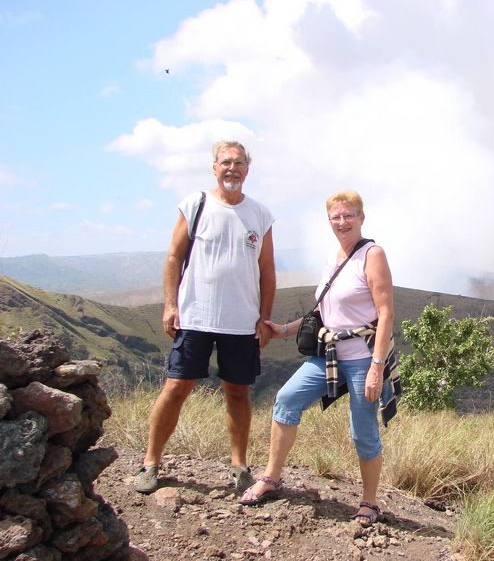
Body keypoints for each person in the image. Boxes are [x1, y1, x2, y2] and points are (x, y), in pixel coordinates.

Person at [239, 189, 399, 528]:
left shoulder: (372, 254)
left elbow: (386, 314)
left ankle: (370, 502)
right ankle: (271, 477)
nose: (342, 222)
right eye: (336, 217)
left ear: (361, 217)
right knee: (286, 400)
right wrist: (284, 330)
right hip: (329, 355)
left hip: (361, 358)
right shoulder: (337, 257)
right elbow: (323, 311)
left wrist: (377, 367)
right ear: (329, 221)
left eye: (348, 215)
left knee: (363, 432)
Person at [134, 140, 277, 494]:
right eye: (226, 162)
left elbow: (268, 272)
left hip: (241, 321)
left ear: (248, 168)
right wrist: (171, 305)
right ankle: (151, 463)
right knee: (177, 386)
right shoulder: (195, 204)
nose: (232, 168)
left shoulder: (261, 215)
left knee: (238, 392)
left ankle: (239, 466)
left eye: (239, 163)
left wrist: (264, 317)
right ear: (214, 167)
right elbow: (173, 257)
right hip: (196, 316)